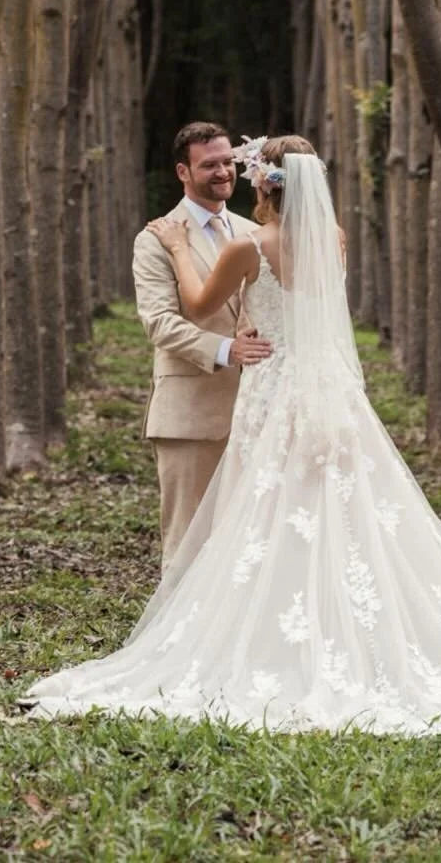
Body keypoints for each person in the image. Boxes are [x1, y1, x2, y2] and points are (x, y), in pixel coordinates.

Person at [29, 134, 441, 739]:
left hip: (273, 391)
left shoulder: (248, 245)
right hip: (327, 392)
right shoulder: (335, 242)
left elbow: (201, 303)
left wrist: (180, 248)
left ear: (265, 185)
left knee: (266, 516)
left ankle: (264, 644)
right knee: (339, 520)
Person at [132, 122, 273, 567]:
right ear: (183, 172)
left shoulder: (255, 233)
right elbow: (159, 323)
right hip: (190, 413)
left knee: (249, 546)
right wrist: (225, 349)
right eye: (209, 164)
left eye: (228, 161)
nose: (223, 172)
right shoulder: (156, 238)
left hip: (256, 412)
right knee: (188, 544)